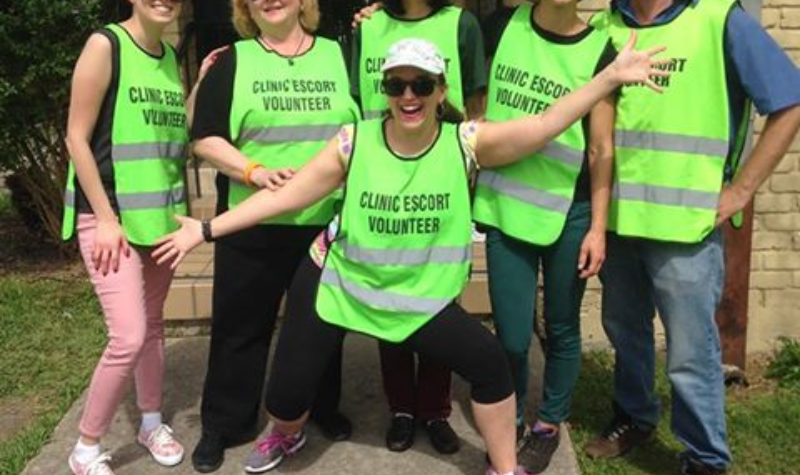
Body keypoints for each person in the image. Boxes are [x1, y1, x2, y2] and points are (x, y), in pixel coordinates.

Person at [154, 36, 664, 475]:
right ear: (385, 92)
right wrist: (207, 227)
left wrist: (609, 77)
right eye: (396, 84)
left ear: (442, 91)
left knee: (491, 367)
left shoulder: (466, 142)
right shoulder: (354, 141)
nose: (408, 95)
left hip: (418, 296)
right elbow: (286, 195)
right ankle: (288, 432)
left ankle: (503, 465)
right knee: (285, 398)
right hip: (340, 282)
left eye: (421, 84)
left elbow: (547, 124)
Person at [584, 0, 800, 475]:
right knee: (624, 332)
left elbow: (788, 102)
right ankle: (635, 415)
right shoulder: (607, 25)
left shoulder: (720, 18)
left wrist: (742, 190)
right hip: (622, 222)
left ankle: (705, 457)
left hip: (687, 229)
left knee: (689, 355)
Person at [188, 0, 359, 473]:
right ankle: (224, 423)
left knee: (321, 325)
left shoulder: (341, 53)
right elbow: (205, 138)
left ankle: (320, 409)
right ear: (245, 2)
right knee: (240, 328)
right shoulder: (231, 60)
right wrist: (252, 171)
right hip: (254, 220)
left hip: (323, 222)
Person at [473, 0, 620, 474]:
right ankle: (507, 417)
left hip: (571, 209)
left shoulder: (600, 51)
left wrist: (599, 227)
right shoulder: (499, 26)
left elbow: (602, 151)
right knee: (511, 334)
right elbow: (476, 109)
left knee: (560, 327)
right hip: (506, 206)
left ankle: (547, 422)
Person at [350, 0, 488, 455]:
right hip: (379, 182)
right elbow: (359, 107)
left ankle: (434, 408)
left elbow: (476, 113)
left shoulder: (463, 25)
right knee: (388, 299)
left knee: (436, 301)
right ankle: (400, 407)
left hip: (441, 183)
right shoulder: (366, 27)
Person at [62, 0, 191, 475]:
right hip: (110, 218)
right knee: (129, 336)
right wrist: (107, 219)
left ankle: (151, 420)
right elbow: (75, 137)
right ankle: (85, 446)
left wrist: (199, 82)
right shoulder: (105, 44)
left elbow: (165, 135)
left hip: (158, 218)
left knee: (154, 328)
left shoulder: (167, 58)